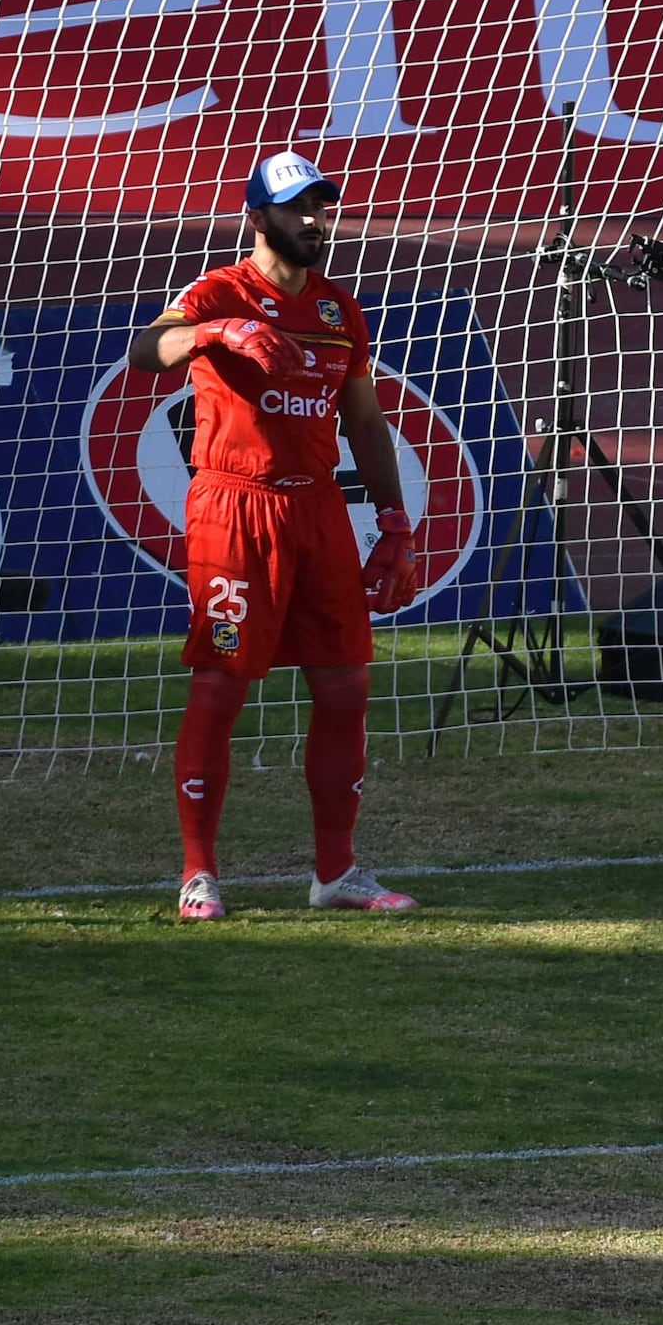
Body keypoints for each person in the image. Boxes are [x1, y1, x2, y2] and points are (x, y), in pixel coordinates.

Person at [128, 151, 422, 922]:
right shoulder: (217, 289)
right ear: (257, 217)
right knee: (223, 684)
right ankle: (199, 875)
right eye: (296, 208)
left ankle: (337, 871)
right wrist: (214, 333)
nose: (314, 220)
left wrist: (394, 522)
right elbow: (144, 350)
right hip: (234, 507)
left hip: (318, 511)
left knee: (347, 685)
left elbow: (363, 419)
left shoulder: (339, 310)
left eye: (321, 205)